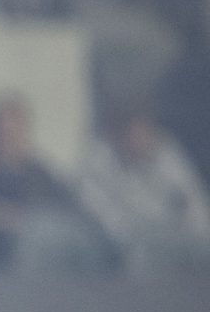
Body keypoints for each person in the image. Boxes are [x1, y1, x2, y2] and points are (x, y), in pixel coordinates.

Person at [0, 92, 80, 266]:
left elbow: (50, 216)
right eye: (0, 132)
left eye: (12, 132)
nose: (6, 139)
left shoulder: (41, 174)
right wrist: (0, 217)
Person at [76, 105, 210, 249]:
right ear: (118, 138)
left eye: (145, 132)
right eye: (134, 135)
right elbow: (109, 222)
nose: (142, 140)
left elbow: (194, 201)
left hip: (177, 241)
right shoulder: (98, 166)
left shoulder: (165, 154)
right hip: (123, 248)